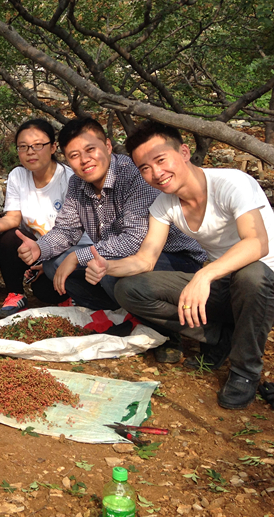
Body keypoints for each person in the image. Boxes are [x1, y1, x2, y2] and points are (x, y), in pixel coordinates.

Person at [88, 121, 274, 409]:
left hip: (263, 284)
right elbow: (145, 259)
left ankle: (245, 371)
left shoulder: (232, 183)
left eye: (161, 160)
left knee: (252, 274)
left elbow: (257, 244)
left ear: (184, 152)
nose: (156, 173)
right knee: (128, 289)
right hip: (224, 283)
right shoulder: (164, 205)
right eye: (145, 168)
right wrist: (107, 268)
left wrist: (204, 276)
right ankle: (218, 336)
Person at [13, 117, 206, 310]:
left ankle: (146, 317)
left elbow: (134, 240)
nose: (84, 160)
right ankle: (112, 311)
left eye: (90, 150)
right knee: (53, 263)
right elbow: (67, 229)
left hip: (174, 257)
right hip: (120, 257)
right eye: (74, 155)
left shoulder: (134, 174)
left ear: (107, 146)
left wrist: (78, 257)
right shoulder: (77, 183)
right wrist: (40, 247)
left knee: (105, 268)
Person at [0, 119, 92, 315]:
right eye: (23, 147)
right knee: (9, 237)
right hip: (35, 249)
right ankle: (15, 294)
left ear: (53, 147)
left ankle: (75, 293)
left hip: (69, 251)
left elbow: (76, 234)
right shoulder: (18, 176)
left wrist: (48, 262)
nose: (30, 152)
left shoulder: (70, 179)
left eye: (37, 145)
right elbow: (13, 218)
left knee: (45, 291)